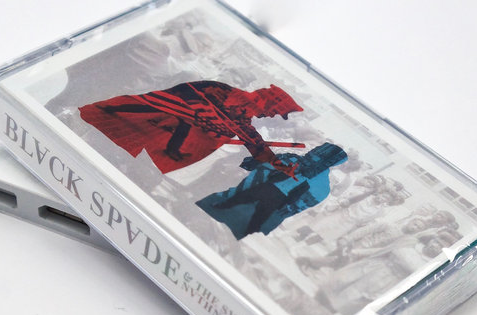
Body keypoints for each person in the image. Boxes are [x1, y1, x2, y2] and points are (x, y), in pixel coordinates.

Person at [79, 80, 303, 175]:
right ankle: (111, 109)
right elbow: (181, 93)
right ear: (267, 101)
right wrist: (200, 109)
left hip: (178, 126)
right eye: (275, 111)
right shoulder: (222, 90)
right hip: (167, 111)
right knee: (155, 109)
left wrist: (278, 164)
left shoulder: (242, 121)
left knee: (184, 125)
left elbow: (256, 145)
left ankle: (171, 150)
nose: (272, 115)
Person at [196, 143, 348, 239]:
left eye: (317, 151)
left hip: (270, 195)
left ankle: (229, 212)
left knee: (246, 204)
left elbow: (252, 169)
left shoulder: (291, 159)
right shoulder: (324, 187)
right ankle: (244, 224)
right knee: (252, 209)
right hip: (272, 203)